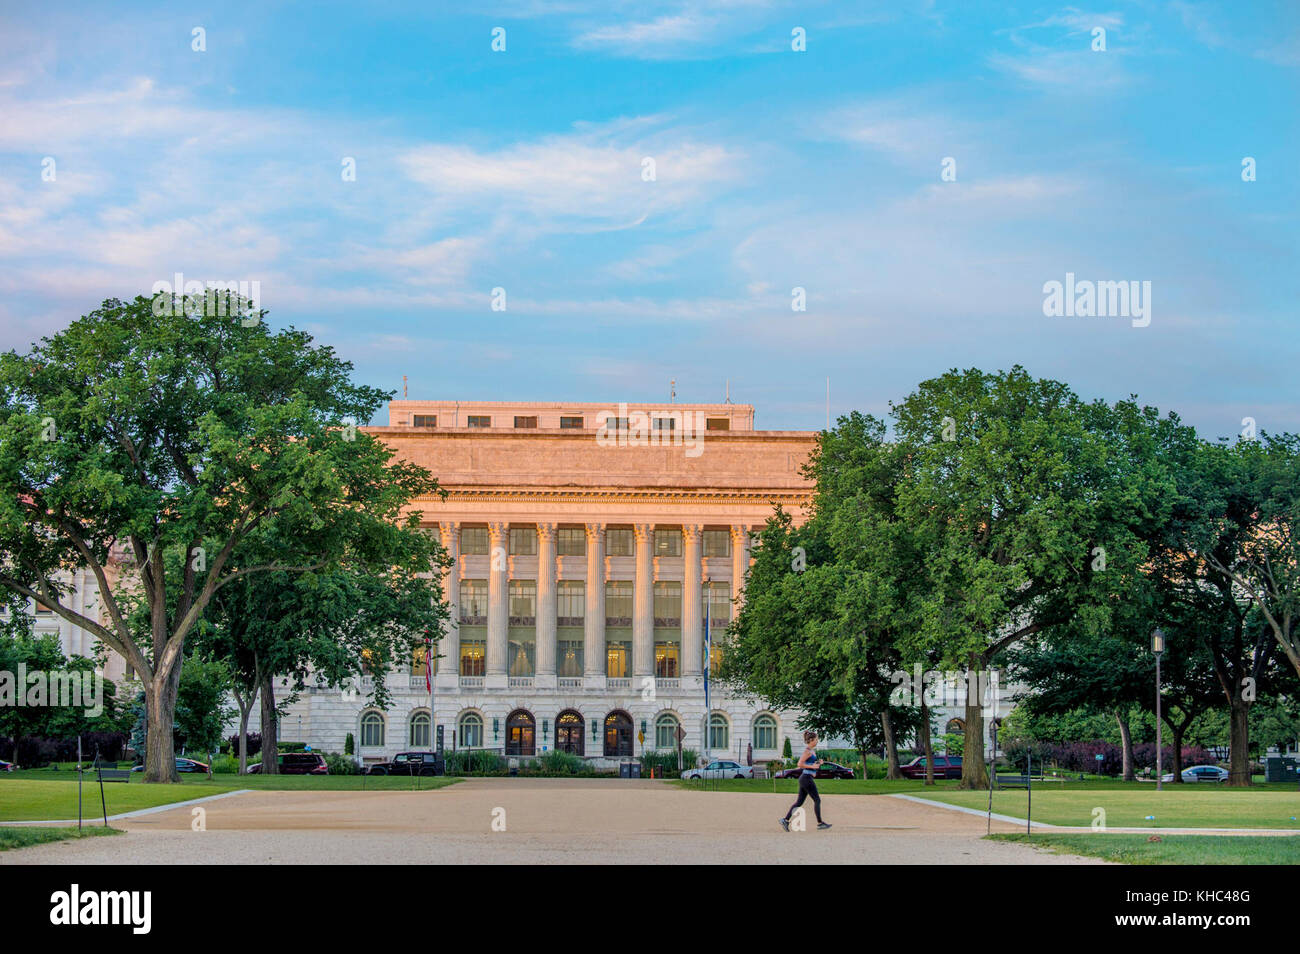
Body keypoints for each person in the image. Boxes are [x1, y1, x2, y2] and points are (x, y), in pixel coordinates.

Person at [780, 730, 831, 831]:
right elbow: (800, 764)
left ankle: (785, 820)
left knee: (799, 802)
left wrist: (818, 763)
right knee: (817, 800)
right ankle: (820, 823)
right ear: (811, 740)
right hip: (806, 778)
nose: (817, 741)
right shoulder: (807, 751)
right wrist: (813, 766)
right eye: (816, 739)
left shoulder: (812, 751)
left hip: (805, 778)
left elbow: (811, 764)